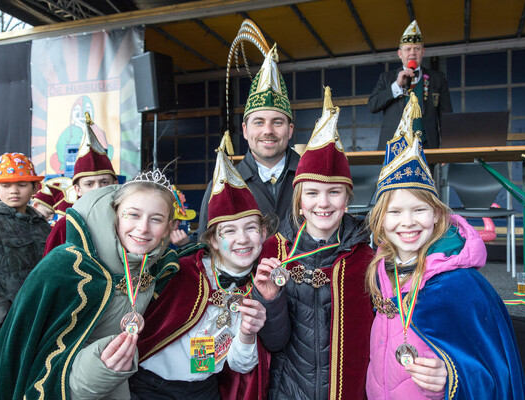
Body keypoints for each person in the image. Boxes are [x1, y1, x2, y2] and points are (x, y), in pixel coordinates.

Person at [364, 92, 525, 399]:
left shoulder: (459, 282)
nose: (407, 222)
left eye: (419, 210)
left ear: (438, 214)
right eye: (395, 212)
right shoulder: (380, 270)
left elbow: (492, 366)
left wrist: (452, 375)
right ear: (381, 220)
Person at [0, 170, 181, 399]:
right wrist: (97, 371)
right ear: (116, 214)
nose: (143, 228)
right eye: (133, 215)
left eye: (156, 219)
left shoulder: (156, 269)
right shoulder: (66, 267)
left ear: (168, 227)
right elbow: (26, 356)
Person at [253, 87, 375, 399]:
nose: (323, 203)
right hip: (289, 390)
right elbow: (273, 341)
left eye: (334, 192)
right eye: (312, 193)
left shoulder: (365, 257)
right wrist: (270, 299)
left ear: (347, 200)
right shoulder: (275, 251)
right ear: (299, 202)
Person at [133, 133, 270, 399]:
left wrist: (247, 333)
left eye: (251, 228)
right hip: (150, 388)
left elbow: (241, 365)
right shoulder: (179, 272)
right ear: (214, 241)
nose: (242, 239)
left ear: (263, 234)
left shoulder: (259, 288)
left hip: (204, 390)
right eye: (228, 231)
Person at [197, 20, 300, 237]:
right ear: (245, 130)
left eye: (277, 122)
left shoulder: (310, 174)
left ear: (290, 130)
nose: (268, 130)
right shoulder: (224, 183)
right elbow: (205, 244)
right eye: (259, 122)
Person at [0, 153, 51, 386]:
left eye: (22, 184)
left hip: (34, 331)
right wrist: (4, 312)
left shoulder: (41, 225)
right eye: (5, 185)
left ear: (35, 186)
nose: (13, 191)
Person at [368, 20, 452, 150]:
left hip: (425, 146)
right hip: (394, 147)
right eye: (408, 49)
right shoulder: (387, 78)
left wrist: (448, 146)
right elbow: (373, 105)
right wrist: (397, 85)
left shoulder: (437, 78)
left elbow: (446, 115)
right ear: (400, 54)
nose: (412, 53)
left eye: (417, 49)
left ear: (423, 52)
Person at [43, 112, 118, 255]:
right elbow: (49, 273)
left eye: (104, 182)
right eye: (89, 184)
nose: (98, 189)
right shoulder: (64, 226)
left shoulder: (127, 222)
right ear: (77, 189)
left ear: (115, 183)